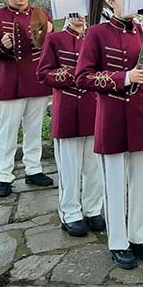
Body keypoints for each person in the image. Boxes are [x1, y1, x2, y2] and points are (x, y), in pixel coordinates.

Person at [75, 0, 143, 270]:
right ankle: (118, 242)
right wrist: (125, 78)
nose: (131, 3)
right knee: (113, 183)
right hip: (112, 115)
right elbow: (83, 77)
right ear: (110, 1)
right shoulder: (97, 33)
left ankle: (141, 237)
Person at [0, 0, 54, 197]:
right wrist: (2, 45)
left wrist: (50, 34)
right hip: (10, 80)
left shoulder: (41, 15)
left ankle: (34, 169)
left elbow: (50, 49)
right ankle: (3, 175)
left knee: (34, 129)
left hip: (36, 79)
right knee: (8, 131)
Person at [37, 15, 104, 237]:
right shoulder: (55, 39)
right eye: (74, 11)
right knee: (69, 167)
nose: (79, 16)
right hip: (67, 109)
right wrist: (72, 74)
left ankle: (93, 209)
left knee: (94, 167)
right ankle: (70, 213)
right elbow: (43, 73)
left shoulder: (96, 37)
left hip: (93, 108)